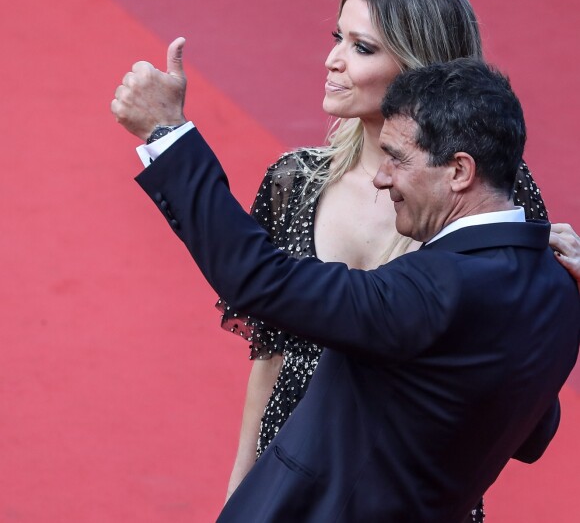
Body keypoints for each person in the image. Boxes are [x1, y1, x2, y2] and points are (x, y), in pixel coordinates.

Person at [112, 55, 580, 522]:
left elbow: (260, 279)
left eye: (397, 159)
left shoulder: (432, 289)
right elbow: (534, 435)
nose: (382, 177)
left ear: (459, 171)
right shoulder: (559, 292)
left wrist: (166, 135)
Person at [211, 0, 548, 516]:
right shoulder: (294, 180)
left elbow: (518, 342)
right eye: (336, 39)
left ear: (419, 71)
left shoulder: (478, 185)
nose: (333, 60)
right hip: (292, 474)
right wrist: (241, 484)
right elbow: (271, 351)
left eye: (361, 47)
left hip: (415, 486)